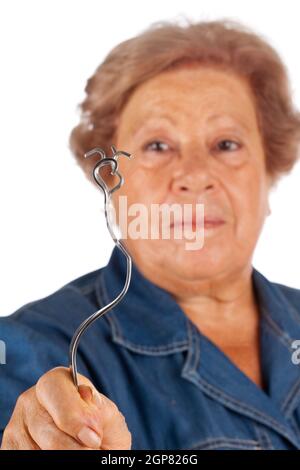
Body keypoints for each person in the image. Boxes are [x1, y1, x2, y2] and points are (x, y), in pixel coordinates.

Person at [1, 18, 300, 450]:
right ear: (111, 183)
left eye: (226, 144)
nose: (195, 176)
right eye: (157, 145)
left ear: (268, 174)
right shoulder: (30, 349)